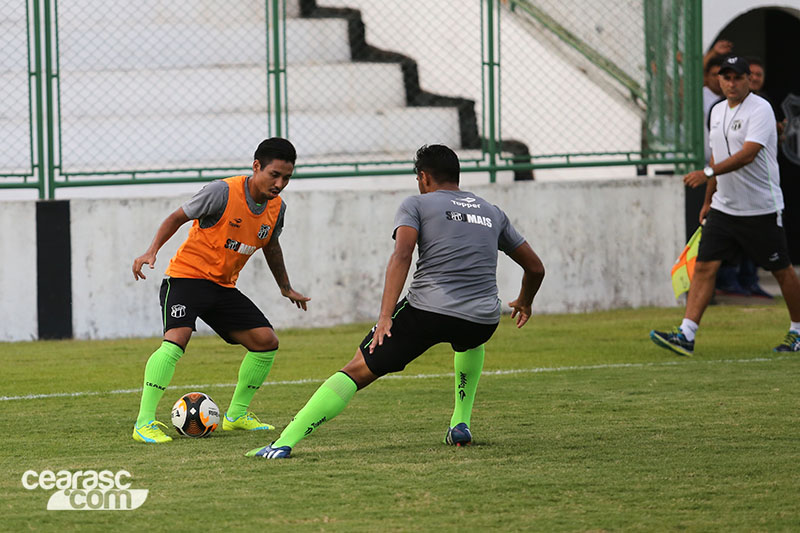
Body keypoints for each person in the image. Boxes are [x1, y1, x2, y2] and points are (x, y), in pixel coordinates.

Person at [246, 144, 545, 459]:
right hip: (483, 320)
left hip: (428, 312)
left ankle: (283, 443)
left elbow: (402, 254)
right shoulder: (491, 211)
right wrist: (525, 301)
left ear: (423, 177)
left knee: (356, 370)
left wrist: (386, 316)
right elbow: (535, 267)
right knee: (469, 341)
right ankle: (460, 423)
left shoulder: (417, 203)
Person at [130, 137, 311, 443]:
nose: (280, 183)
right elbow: (177, 217)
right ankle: (143, 423)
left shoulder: (277, 208)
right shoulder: (222, 192)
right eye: (274, 175)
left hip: (222, 287)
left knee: (265, 341)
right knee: (176, 340)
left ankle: (236, 416)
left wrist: (285, 287)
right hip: (186, 278)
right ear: (256, 167)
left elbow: (271, 245)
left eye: (287, 178)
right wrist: (151, 251)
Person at [650, 56, 800, 356]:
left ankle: (798, 331)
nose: (731, 83)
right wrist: (708, 200)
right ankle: (686, 334)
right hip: (723, 208)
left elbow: (748, 155)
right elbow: (717, 158)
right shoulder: (717, 111)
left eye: (737, 77)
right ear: (718, 81)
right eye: (726, 77)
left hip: (760, 208)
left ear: (748, 80)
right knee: (705, 267)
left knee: (781, 270)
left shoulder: (761, 109)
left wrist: (706, 174)